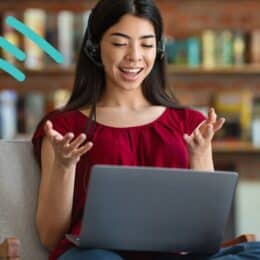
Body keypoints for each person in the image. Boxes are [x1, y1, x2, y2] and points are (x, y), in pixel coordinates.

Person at [32, 0, 260, 259]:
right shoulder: (63, 128)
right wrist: (64, 167)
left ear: (159, 49)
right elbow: (51, 237)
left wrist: (199, 155)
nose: (135, 56)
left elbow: (204, 232)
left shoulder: (188, 123)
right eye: (119, 43)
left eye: (147, 44)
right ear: (94, 48)